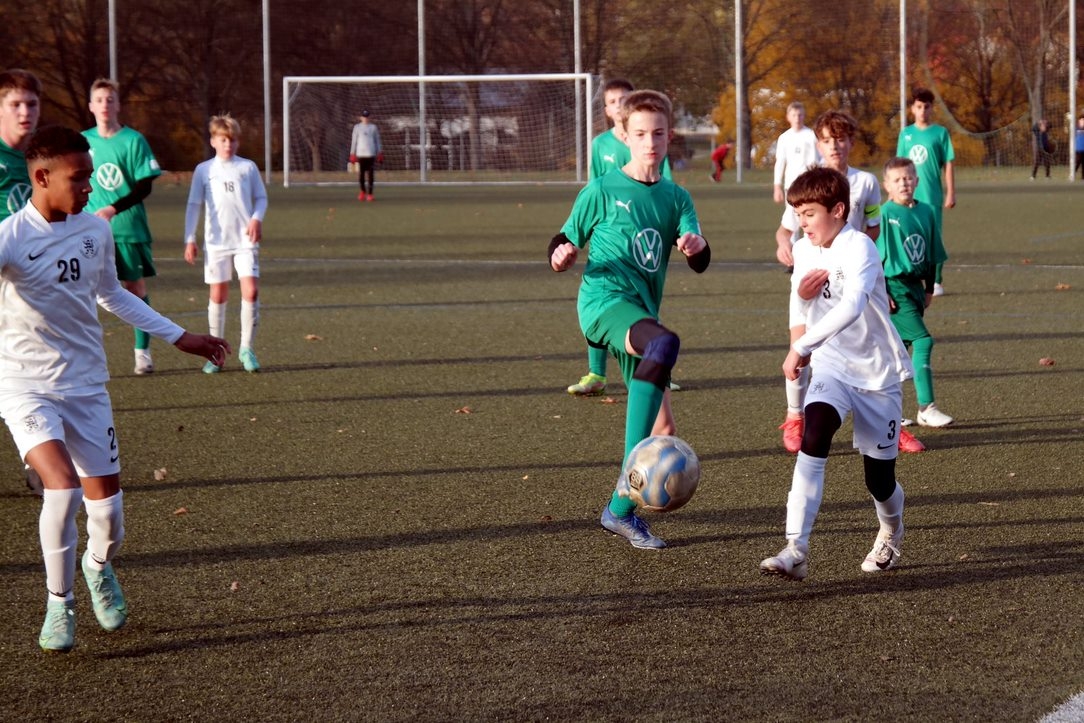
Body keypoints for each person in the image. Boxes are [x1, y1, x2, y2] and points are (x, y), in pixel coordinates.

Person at [0, 125, 229, 652]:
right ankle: (59, 603)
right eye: (78, 178)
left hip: (85, 386)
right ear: (41, 177)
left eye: (89, 177)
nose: (89, 187)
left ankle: (98, 566)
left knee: (109, 517)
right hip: (24, 386)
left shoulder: (95, 232)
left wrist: (179, 336)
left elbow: (112, 294)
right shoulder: (10, 236)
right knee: (62, 488)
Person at [549, 90, 710, 550]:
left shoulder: (676, 197)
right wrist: (561, 255)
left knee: (665, 433)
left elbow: (698, 255)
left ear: (669, 135)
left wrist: (696, 248)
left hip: (640, 315)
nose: (650, 142)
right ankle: (627, 480)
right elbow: (563, 239)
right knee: (663, 344)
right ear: (624, 135)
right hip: (603, 304)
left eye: (658, 133)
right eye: (640, 134)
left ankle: (618, 512)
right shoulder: (601, 190)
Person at [759, 166, 914, 581]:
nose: (802, 222)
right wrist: (802, 312)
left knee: (879, 480)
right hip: (832, 365)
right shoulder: (803, 249)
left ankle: (891, 530)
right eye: (797, 214)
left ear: (838, 210)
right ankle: (796, 548)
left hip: (877, 374)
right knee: (814, 437)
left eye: (809, 213)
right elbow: (801, 310)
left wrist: (802, 346)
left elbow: (852, 306)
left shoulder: (859, 246)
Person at [774, 110, 922, 454]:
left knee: (873, 344)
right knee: (801, 346)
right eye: (826, 140)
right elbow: (787, 229)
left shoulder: (866, 183)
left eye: (840, 139)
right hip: (813, 277)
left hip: (851, 276)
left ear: (851, 142)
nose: (834, 146)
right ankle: (795, 414)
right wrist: (784, 244)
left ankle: (890, 423)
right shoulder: (806, 182)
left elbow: (873, 226)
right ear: (818, 144)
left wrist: (862, 267)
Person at [569, 78, 676, 397]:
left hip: (643, 254)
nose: (649, 142)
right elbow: (594, 184)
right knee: (621, 310)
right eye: (613, 101)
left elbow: (664, 183)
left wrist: (689, 239)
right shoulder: (601, 147)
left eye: (623, 99)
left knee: (661, 420)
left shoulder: (670, 187)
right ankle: (597, 371)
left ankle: (655, 363)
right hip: (610, 243)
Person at [83, 78, 163, 375]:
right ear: (91, 106)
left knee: (134, 288)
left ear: (118, 105)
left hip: (127, 228)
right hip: (88, 231)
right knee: (81, 291)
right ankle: (85, 357)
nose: (105, 105)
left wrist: (113, 208)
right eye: (99, 100)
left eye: (110, 99)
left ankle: (143, 353)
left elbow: (145, 185)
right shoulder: (81, 141)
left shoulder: (134, 140)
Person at [184, 114, 269, 374]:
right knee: (218, 295)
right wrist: (190, 238)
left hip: (245, 241)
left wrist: (256, 219)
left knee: (251, 291)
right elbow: (194, 204)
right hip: (216, 243)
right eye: (223, 140)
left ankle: (246, 348)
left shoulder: (247, 168)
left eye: (232, 140)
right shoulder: (204, 170)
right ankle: (215, 352)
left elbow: (261, 198)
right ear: (213, 141)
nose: (228, 145)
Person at [879, 157, 953, 429]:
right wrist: (882, 290)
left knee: (897, 350)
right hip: (894, 286)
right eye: (897, 180)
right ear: (887, 185)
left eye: (908, 178)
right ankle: (926, 408)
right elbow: (874, 258)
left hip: (916, 288)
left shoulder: (927, 212)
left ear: (917, 180)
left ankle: (885, 411)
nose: (904, 183)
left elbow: (934, 253)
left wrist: (930, 287)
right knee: (923, 341)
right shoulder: (884, 214)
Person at [1, 69, 47, 497]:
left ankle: (35, 459)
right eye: (15, 104)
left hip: (33, 285)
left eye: (31, 104)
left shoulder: (40, 157)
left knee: (34, 371)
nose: (24, 112)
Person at [897, 88, 955, 297]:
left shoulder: (940, 133)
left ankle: (936, 281)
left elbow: (948, 163)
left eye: (926, 107)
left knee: (932, 237)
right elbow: (899, 166)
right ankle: (910, 278)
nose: (922, 111)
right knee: (908, 237)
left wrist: (951, 192)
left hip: (931, 195)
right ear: (912, 109)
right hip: (907, 196)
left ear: (932, 109)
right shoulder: (906, 134)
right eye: (919, 107)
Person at [772, 101, 819, 211]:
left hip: (809, 184)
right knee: (791, 216)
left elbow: (818, 160)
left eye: (800, 115)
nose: (797, 118)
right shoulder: (784, 138)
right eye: (794, 115)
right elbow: (780, 162)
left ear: (804, 116)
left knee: (809, 214)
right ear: (788, 117)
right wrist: (777, 186)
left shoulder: (811, 135)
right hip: (791, 184)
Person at [348, 110, 382, 202]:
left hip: (371, 154)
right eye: (364, 117)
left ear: (369, 117)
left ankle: (370, 194)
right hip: (360, 154)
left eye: (367, 117)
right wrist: (352, 153)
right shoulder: (357, 127)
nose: (365, 118)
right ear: (361, 118)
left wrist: (379, 152)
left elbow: (377, 141)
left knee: (370, 174)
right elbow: (354, 141)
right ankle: (363, 191)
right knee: (361, 174)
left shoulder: (373, 127)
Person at [1074, 115, 1084, 181]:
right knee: (1078, 161)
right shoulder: (1076, 128)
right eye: (1081, 120)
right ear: (1079, 121)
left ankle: (1083, 177)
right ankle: (1073, 173)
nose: (1082, 121)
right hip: (1078, 148)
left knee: (1083, 163)